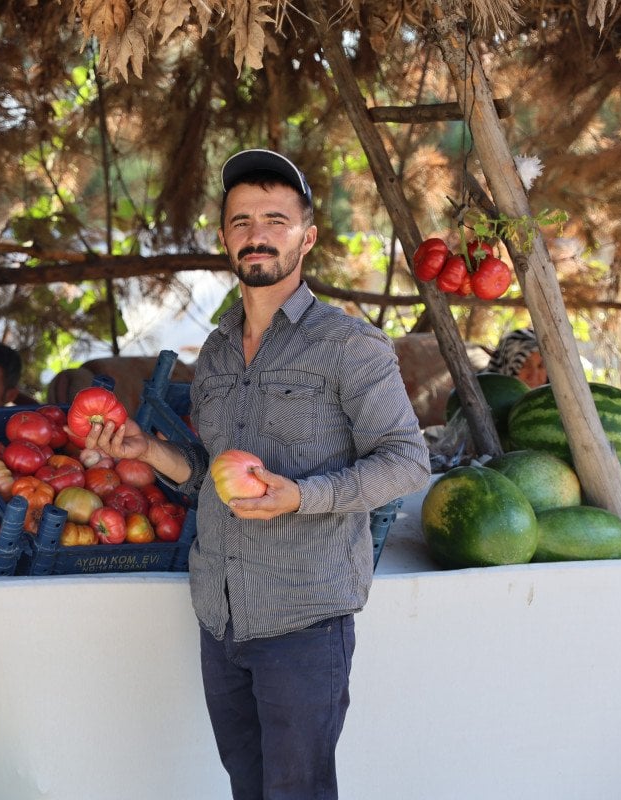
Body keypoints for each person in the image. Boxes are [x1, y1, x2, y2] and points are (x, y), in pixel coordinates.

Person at [82, 149, 430, 799]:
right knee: (248, 788)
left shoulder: (350, 345)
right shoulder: (213, 354)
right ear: (224, 237)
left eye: (275, 217)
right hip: (222, 618)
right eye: (241, 220)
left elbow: (407, 459)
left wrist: (301, 496)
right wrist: (149, 452)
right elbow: (207, 476)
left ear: (308, 236)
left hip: (303, 620)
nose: (257, 233)